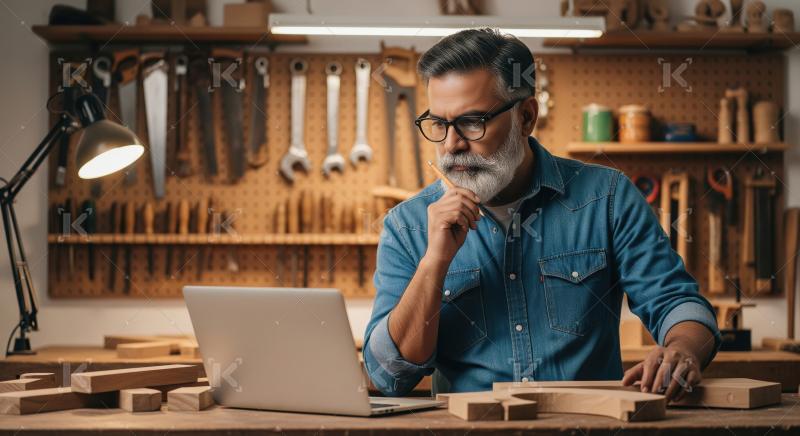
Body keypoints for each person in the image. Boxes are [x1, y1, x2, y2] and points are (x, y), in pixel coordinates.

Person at [363, 28, 720, 400]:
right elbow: (388, 376)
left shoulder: (608, 198)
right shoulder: (407, 225)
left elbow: (676, 302)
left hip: (589, 423)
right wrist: (433, 264)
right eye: (439, 124)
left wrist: (683, 348)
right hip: (470, 426)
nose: (452, 145)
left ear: (526, 117)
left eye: (472, 122)